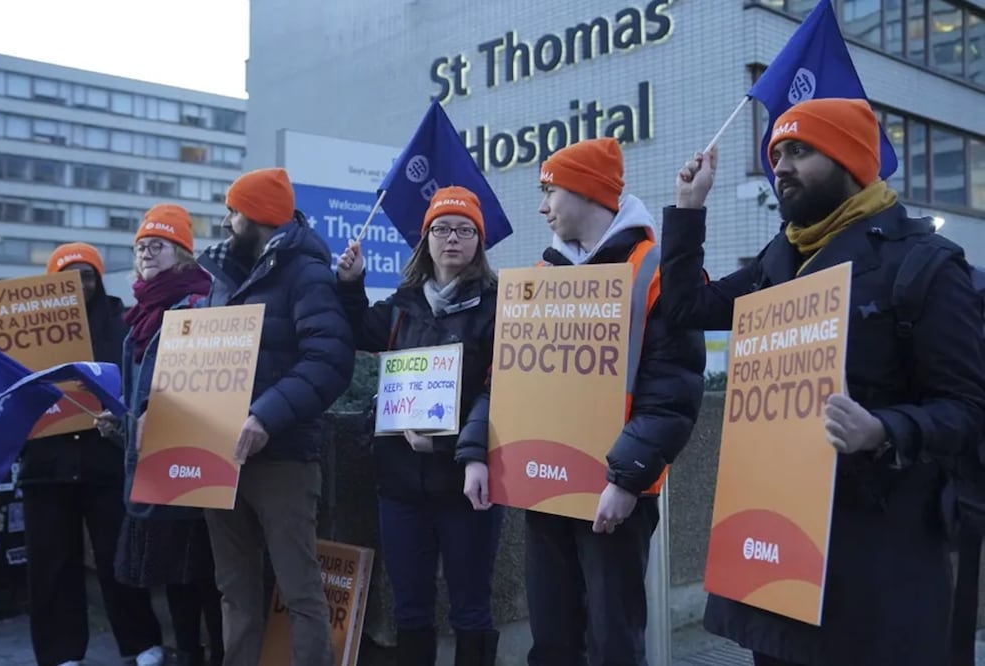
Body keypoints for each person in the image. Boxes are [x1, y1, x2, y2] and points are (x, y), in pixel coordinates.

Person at [663, 97, 985, 665]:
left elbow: (964, 408)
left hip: (878, 560)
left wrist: (882, 429)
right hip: (782, 559)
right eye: (776, 152)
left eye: (800, 150)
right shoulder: (778, 261)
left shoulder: (927, 264)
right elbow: (687, 306)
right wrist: (689, 208)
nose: (780, 165)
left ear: (850, 160)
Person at [525, 138, 706, 665]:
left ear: (584, 191)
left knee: (613, 641)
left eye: (549, 190)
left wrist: (626, 478)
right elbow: (509, 378)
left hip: (614, 490)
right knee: (552, 639)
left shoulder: (654, 269)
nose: (542, 205)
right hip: (546, 486)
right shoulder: (542, 275)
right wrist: (479, 452)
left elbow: (674, 387)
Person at [336, 186, 502, 666]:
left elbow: (505, 391)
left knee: (471, 608)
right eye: (443, 228)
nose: (453, 238)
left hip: (467, 481)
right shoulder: (399, 307)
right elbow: (352, 331)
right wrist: (350, 284)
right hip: (399, 482)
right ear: (426, 238)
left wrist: (449, 442)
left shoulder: (499, 307)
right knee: (409, 608)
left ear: (479, 242)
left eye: (465, 229)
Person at [195, 167, 355, 666]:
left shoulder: (307, 274)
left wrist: (264, 417)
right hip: (221, 459)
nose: (226, 222)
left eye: (233, 211)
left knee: (300, 592)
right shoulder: (223, 281)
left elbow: (329, 361)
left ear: (258, 216)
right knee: (234, 593)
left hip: (282, 458)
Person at [21, 242, 164, 666]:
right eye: (68, 276)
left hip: (105, 460)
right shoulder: (28, 329)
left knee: (119, 558)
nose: (79, 285)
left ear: (99, 279)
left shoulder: (123, 322)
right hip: (45, 465)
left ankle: (140, 643)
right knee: (50, 566)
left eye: (87, 275)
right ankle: (60, 653)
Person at [96, 205, 224, 666]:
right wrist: (121, 425)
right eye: (141, 247)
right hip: (155, 461)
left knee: (203, 574)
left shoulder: (198, 303)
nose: (147, 254)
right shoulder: (141, 315)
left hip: (191, 459)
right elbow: (141, 399)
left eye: (158, 245)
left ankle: (212, 655)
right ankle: (188, 654)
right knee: (176, 574)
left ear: (183, 253)